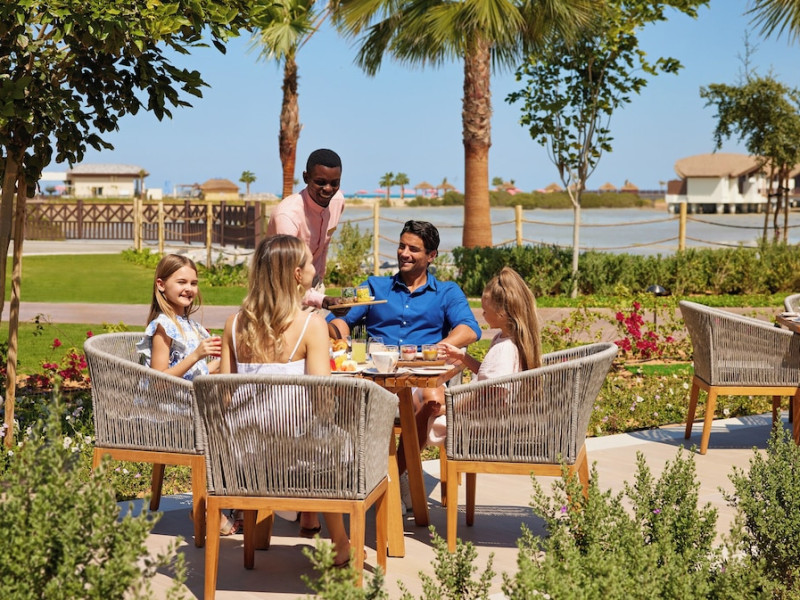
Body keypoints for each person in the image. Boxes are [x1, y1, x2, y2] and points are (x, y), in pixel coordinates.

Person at [327, 220, 481, 511]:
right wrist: (339, 334)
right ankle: (389, 476)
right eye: (401, 246)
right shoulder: (374, 286)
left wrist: (437, 348)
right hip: (376, 378)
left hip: (419, 378)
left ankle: (394, 475)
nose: (404, 253)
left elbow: (470, 329)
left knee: (433, 399)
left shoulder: (447, 292)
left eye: (413, 249)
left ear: (431, 256)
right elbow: (340, 318)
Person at [219, 234, 351, 566]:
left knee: (321, 437)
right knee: (339, 440)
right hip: (297, 454)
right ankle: (340, 542)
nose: (314, 269)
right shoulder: (312, 325)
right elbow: (322, 397)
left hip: (243, 454)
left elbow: (224, 395)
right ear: (296, 274)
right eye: (309, 263)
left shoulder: (234, 325)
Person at [429, 266, 543, 445]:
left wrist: (448, 408)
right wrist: (463, 357)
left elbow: (487, 395)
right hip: (492, 419)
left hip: (484, 426)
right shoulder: (507, 339)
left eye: (485, 311)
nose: (482, 315)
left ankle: (404, 461)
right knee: (426, 404)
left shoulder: (504, 349)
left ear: (502, 313)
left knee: (423, 418)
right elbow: (490, 377)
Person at [266, 148, 346, 310]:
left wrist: (319, 283)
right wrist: (322, 300)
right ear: (306, 177)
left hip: (314, 286)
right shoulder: (287, 216)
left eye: (334, 183)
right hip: (279, 291)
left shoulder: (338, 201)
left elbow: (324, 245)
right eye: (320, 182)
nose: (328, 189)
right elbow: (286, 275)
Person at [137, 254, 221, 381]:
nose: (189, 288)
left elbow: (190, 373)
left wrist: (223, 358)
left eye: (193, 283)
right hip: (171, 395)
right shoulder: (164, 327)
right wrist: (196, 355)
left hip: (190, 392)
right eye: (181, 282)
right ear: (161, 285)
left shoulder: (190, 325)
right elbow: (159, 382)